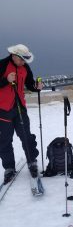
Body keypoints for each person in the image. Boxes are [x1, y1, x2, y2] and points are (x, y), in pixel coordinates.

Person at [0, 44, 43, 183]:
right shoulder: (2, 65)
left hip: (20, 108)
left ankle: (32, 162)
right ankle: (9, 168)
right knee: (5, 140)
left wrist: (36, 87)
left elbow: (30, 84)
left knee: (26, 136)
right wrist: (6, 81)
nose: (24, 62)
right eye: (22, 59)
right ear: (14, 56)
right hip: (3, 110)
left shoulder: (25, 67)